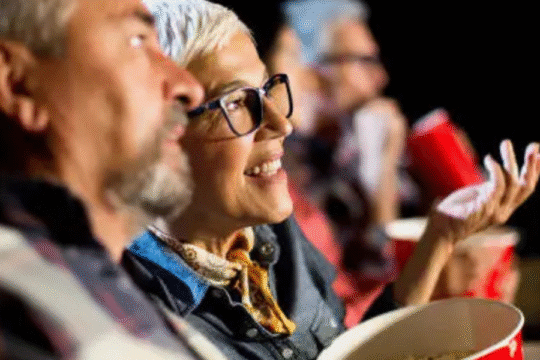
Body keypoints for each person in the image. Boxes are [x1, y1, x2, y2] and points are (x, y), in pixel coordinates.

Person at [126, 0, 540, 359]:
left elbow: (357, 352)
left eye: (266, 91)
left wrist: (440, 236)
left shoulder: (272, 231)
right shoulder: (137, 322)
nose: (280, 123)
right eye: (237, 102)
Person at [0, 0, 228, 358]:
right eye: (137, 41)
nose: (189, 88)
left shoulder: (99, 283)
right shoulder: (19, 314)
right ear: (19, 85)